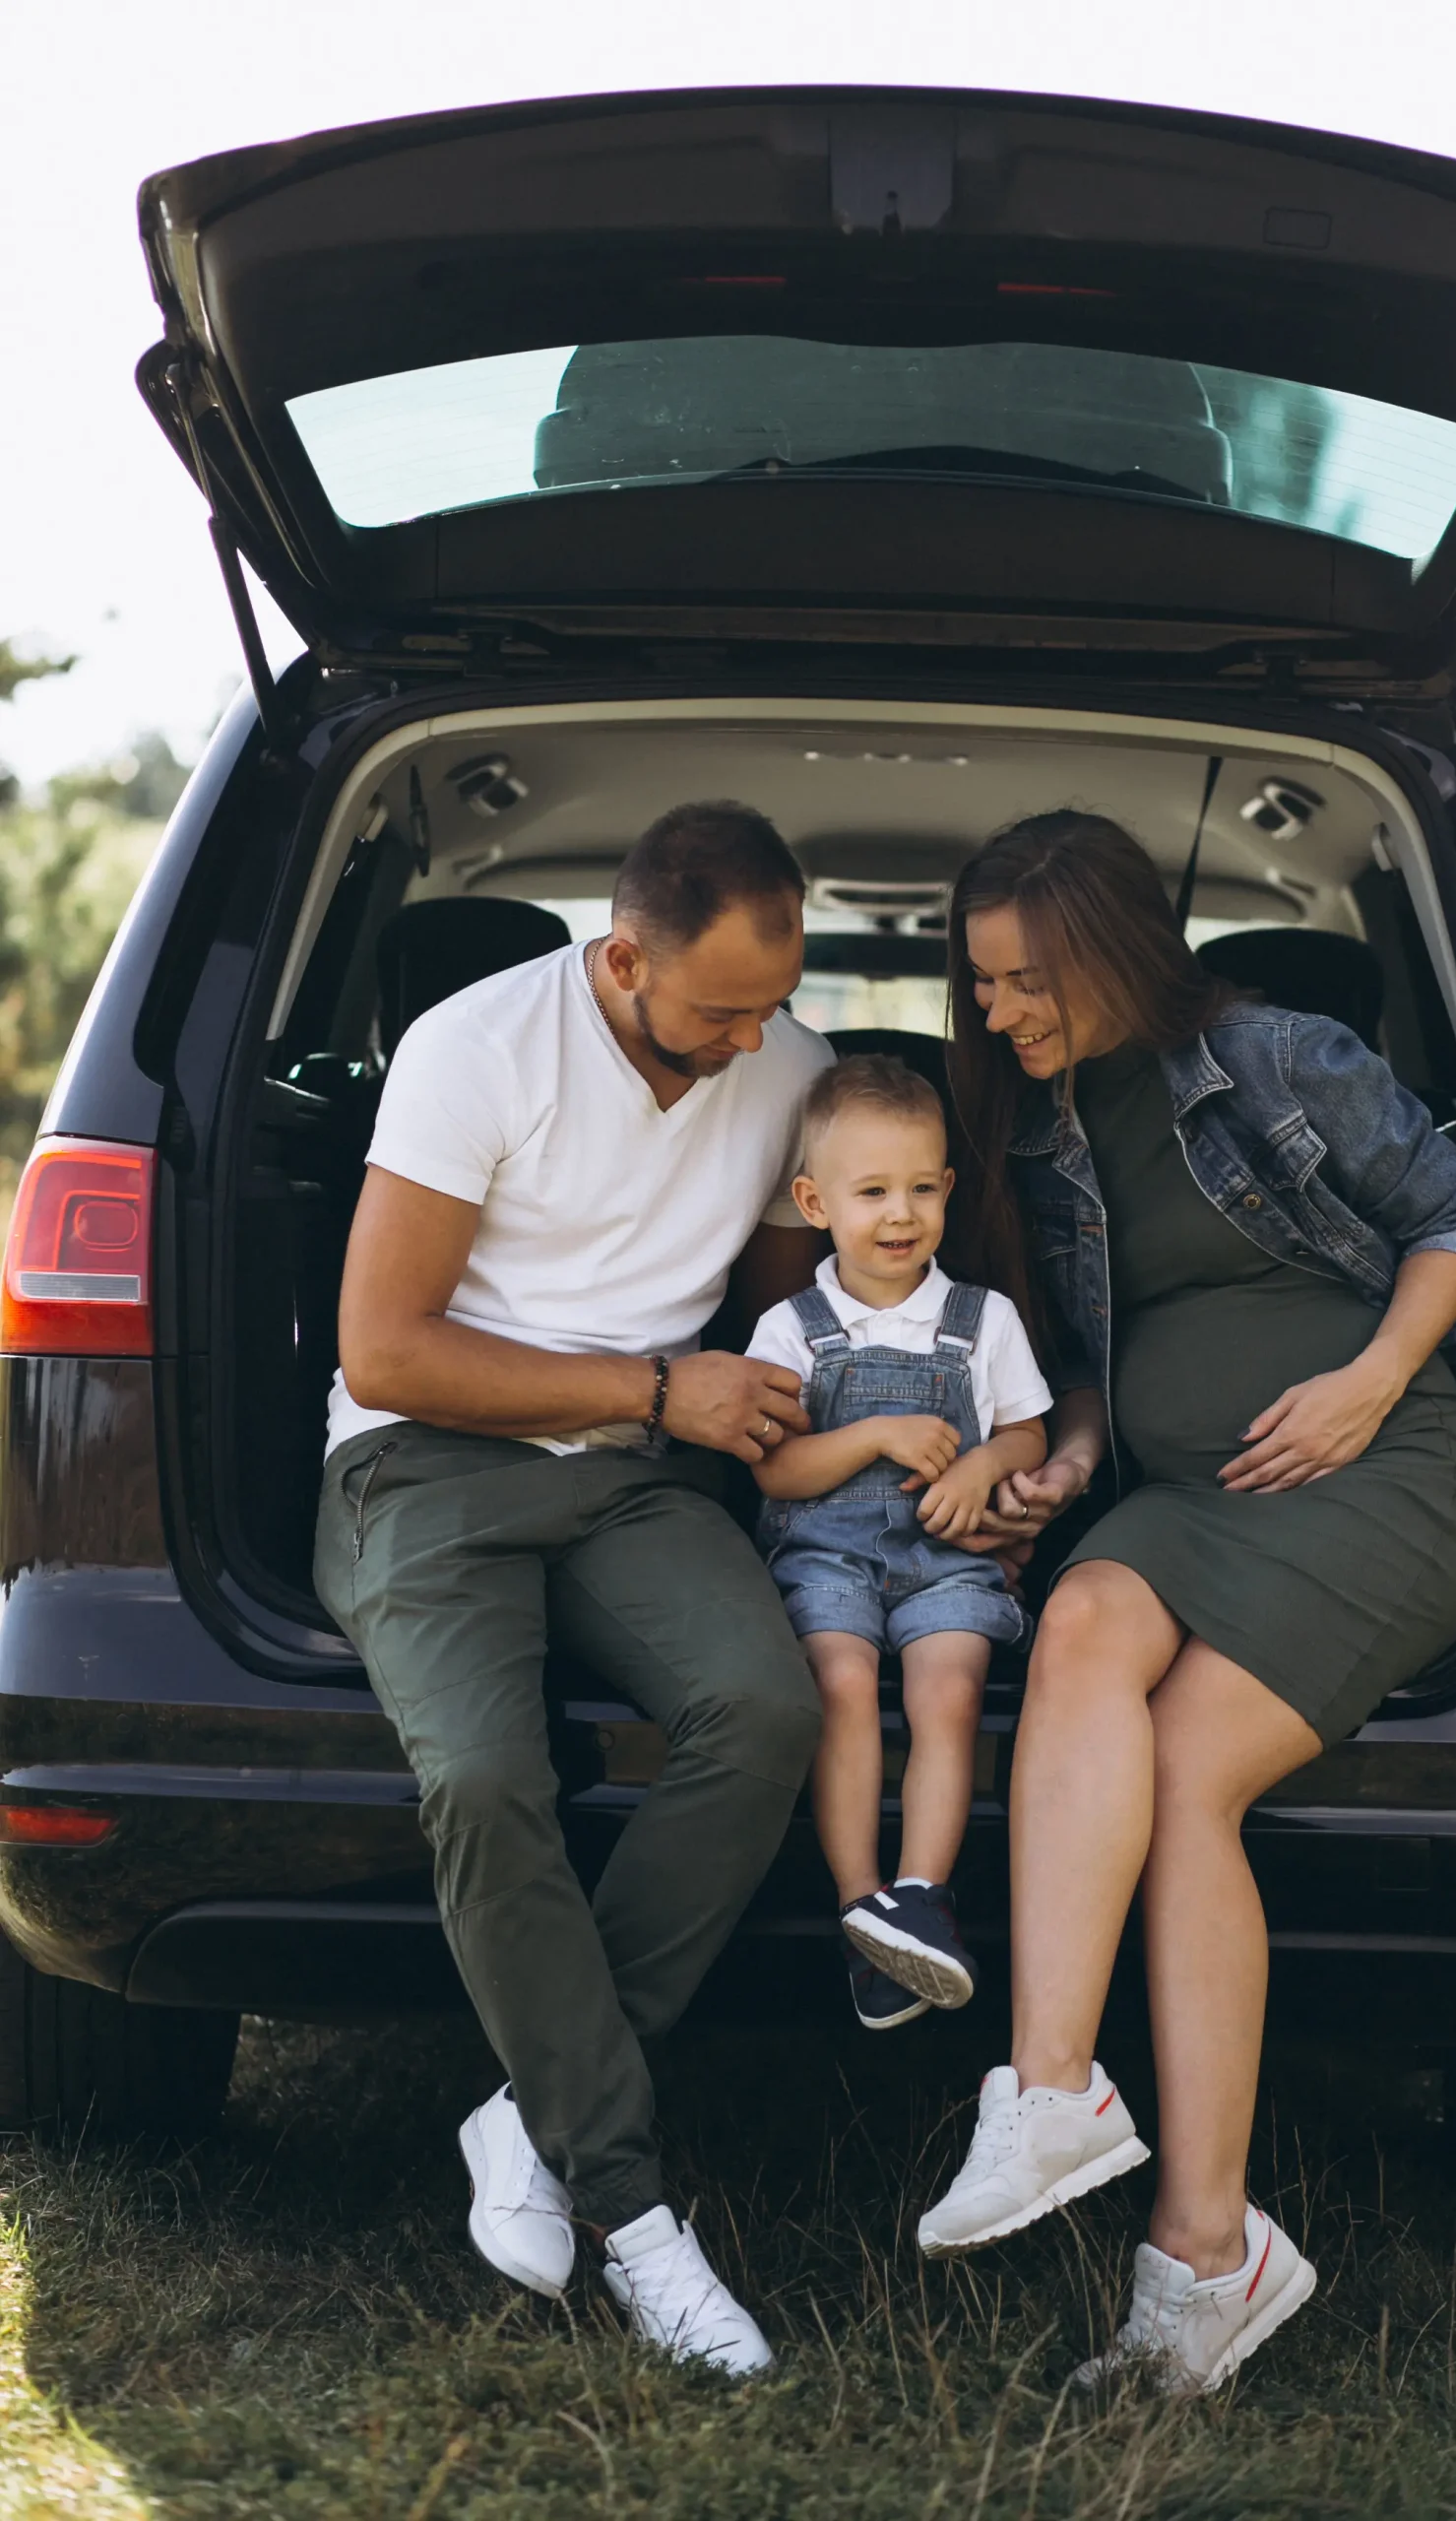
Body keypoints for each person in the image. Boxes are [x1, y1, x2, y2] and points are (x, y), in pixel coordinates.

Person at [916, 808, 1456, 2395]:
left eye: (1025, 980)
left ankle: (1203, 2252)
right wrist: (1075, 1451)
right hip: (1183, 1494)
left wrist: (1370, 1381)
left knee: (1186, 1785)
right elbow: (1110, 1344)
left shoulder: (1272, 1057)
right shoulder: (1030, 1130)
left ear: (1113, 948)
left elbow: (1455, 1222)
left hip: (1373, 1473)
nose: (999, 1015)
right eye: (979, 987)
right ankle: (1053, 2094)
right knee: (1087, 1627)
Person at [315, 802, 835, 2377]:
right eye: (720, 1012)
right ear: (620, 959)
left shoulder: (787, 1064)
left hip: (635, 1475)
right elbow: (383, 1348)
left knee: (760, 1711)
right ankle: (630, 2209)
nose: (755, 1044)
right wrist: (654, 1387)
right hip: (421, 1460)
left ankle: (530, 2117)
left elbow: (767, 1313)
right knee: (483, 1776)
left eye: (773, 1003)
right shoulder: (477, 1048)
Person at [746, 1056, 1051, 2029]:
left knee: (946, 1690)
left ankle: (918, 1898)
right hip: (824, 1555)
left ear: (947, 1192)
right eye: (870, 1190)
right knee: (837, 1682)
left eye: (921, 1187)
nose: (898, 1214)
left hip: (943, 1556)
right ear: (812, 1200)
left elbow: (1026, 1431)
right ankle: (859, 1905)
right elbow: (774, 1470)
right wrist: (875, 1434)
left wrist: (979, 1467)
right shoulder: (790, 1328)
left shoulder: (979, 1320)